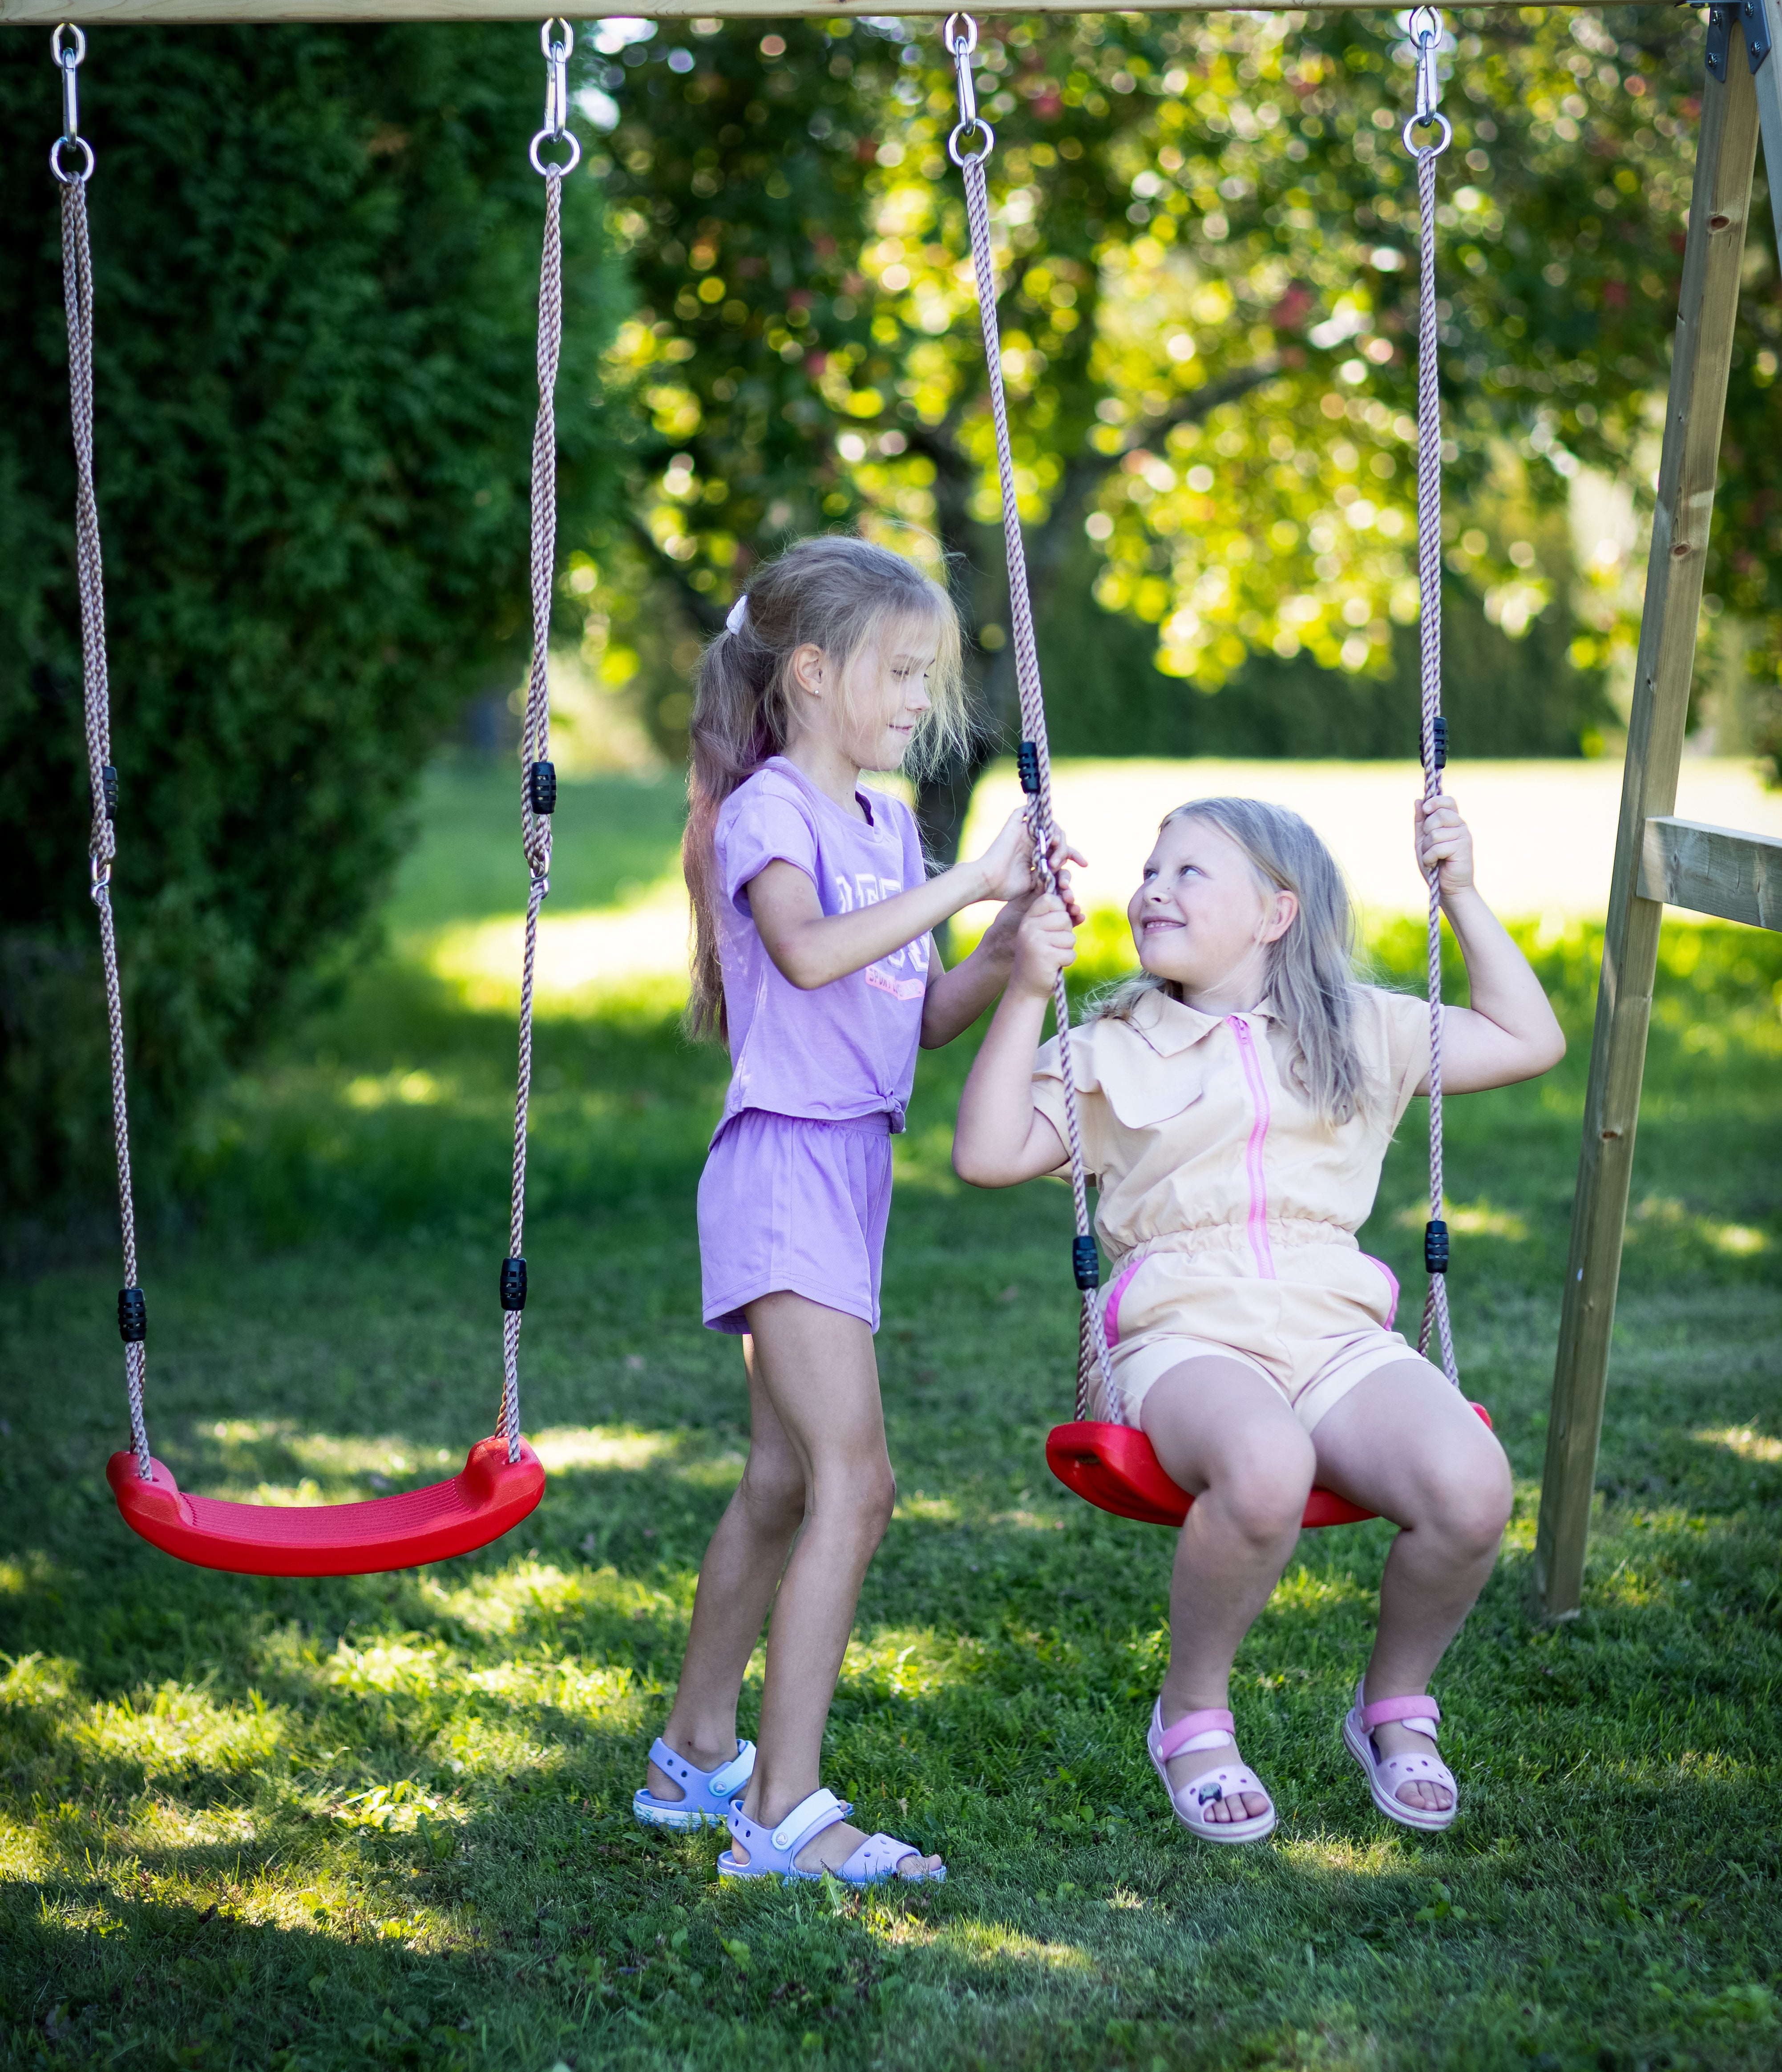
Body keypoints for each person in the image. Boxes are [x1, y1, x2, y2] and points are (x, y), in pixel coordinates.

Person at [952, 792, 1564, 1843]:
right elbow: (985, 1152)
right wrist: (1021, 994)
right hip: (1185, 1333)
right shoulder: (1111, 1045)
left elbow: (1528, 1035)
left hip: (1334, 1328)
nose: (1152, 888)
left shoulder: (1359, 1030)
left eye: (1190, 871)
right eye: (1149, 870)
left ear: (1275, 912)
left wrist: (1457, 893)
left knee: (1471, 1485)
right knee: (1266, 1462)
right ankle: (1191, 1711)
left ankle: (1394, 1706)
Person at [634, 535, 1079, 1883]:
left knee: (783, 1480)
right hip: (781, 1166)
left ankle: (690, 1753)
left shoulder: (891, 825)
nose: (915, 703)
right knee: (857, 1483)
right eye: (897, 673)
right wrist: (968, 887)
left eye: (926, 678)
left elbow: (910, 1015)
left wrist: (1008, 951)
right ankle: (783, 1813)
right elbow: (813, 953)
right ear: (813, 672)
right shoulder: (773, 809)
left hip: (850, 1168)